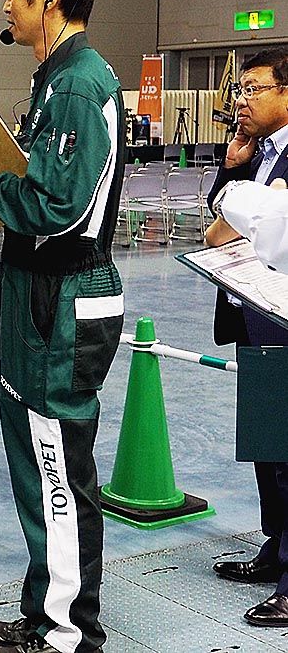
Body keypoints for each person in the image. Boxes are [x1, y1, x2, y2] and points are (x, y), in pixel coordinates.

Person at [0, 0, 125, 653]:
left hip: (63, 297)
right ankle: (46, 609)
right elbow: (46, 189)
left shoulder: (78, 84)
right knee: (37, 462)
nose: (6, 7)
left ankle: (68, 632)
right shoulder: (55, 79)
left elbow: (61, 206)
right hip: (36, 294)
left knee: (56, 468)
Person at [202, 47, 288, 629]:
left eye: (253, 89)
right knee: (266, 446)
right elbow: (217, 224)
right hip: (251, 315)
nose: (241, 100)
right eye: (240, 90)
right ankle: (275, 547)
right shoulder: (254, 154)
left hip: (282, 317)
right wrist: (233, 167)